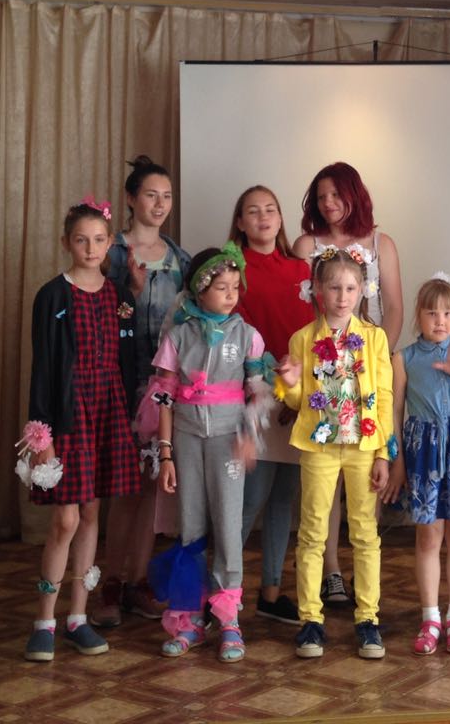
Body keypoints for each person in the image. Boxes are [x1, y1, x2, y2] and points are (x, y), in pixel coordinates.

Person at [137, 244, 272, 663]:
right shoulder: (178, 337)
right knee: (190, 528)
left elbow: (257, 392)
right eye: (221, 287)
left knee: (229, 527)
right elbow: (163, 395)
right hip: (186, 439)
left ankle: (228, 619)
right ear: (199, 290)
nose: (231, 294)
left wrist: (250, 433)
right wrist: (166, 453)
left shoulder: (248, 337)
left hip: (228, 440)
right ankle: (188, 618)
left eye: (235, 287)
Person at [23, 199, 143, 662]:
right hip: (69, 416)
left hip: (107, 412)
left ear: (110, 243)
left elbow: (128, 361)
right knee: (65, 520)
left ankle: (78, 617)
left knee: (93, 514)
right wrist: (42, 436)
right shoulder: (52, 296)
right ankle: (44, 620)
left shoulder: (120, 297)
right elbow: (43, 369)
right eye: (80, 240)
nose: (90, 248)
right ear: (66, 243)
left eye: (98, 240)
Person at [291, 162, 402, 605]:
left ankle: (365, 590)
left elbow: (394, 306)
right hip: (320, 374)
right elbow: (298, 310)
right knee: (322, 488)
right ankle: (331, 572)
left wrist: (372, 360)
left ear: (355, 194)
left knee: (363, 485)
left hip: (366, 371)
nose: (329, 203)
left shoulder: (381, 243)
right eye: (321, 197)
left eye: (336, 194)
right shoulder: (306, 245)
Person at [275, 249, 395, 660]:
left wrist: (383, 453)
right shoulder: (303, 339)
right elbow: (297, 401)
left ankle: (368, 618)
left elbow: (385, 398)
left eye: (350, 288)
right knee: (312, 532)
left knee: (365, 533)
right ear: (318, 290)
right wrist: (289, 382)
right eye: (334, 288)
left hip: (363, 448)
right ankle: (311, 619)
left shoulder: (374, 338)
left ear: (363, 290)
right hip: (319, 448)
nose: (343, 297)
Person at [93, 156, 191, 629]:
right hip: (119, 382)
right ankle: (110, 582)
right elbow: (91, 315)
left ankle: (138, 582)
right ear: (131, 199)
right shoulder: (108, 252)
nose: (159, 204)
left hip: (165, 388)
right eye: (151, 195)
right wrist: (127, 292)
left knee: (154, 485)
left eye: (166, 196)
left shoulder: (181, 261)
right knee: (124, 486)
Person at [381, 276, 450, 656]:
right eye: (432, 313)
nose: (440, 321)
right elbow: (395, 412)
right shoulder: (405, 358)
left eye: (447, 313)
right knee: (428, 537)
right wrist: (398, 461)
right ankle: (430, 618)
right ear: (419, 315)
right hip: (424, 453)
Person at [229, 185, 313, 625]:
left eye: (271, 210)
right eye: (253, 211)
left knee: (284, 498)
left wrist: (300, 394)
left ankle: (271, 592)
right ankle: (222, 594)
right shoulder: (233, 270)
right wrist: (262, 388)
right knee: (249, 500)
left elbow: (314, 333)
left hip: (297, 398)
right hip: (256, 396)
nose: (263, 217)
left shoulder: (301, 269)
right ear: (240, 222)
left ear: (281, 218)